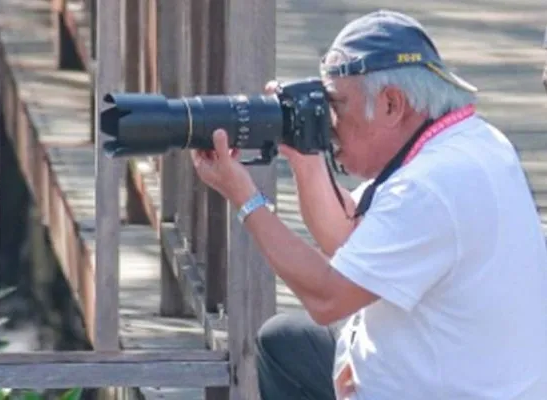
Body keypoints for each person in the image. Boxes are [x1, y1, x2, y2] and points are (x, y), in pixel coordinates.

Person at [190, 9, 547, 400]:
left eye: (337, 106)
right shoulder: (470, 140)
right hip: (467, 379)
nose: (331, 123)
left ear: (392, 104)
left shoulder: (432, 187)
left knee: (295, 339)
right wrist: (303, 150)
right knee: (285, 344)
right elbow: (345, 234)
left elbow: (327, 299)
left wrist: (245, 197)